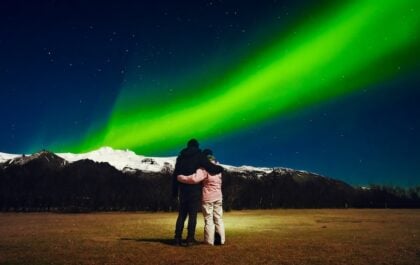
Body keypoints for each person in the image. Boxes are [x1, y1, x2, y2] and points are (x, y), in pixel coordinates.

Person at [172, 139, 224, 246]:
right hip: (195, 190)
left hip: (182, 190)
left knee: (181, 215)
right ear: (197, 146)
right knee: (192, 215)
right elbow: (210, 167)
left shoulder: (180, 157)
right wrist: (220, 168)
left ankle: (177, 238)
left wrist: (174, 191)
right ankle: (190, 239)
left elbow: (175, 175)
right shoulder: (199, 155)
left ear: (188, 146)